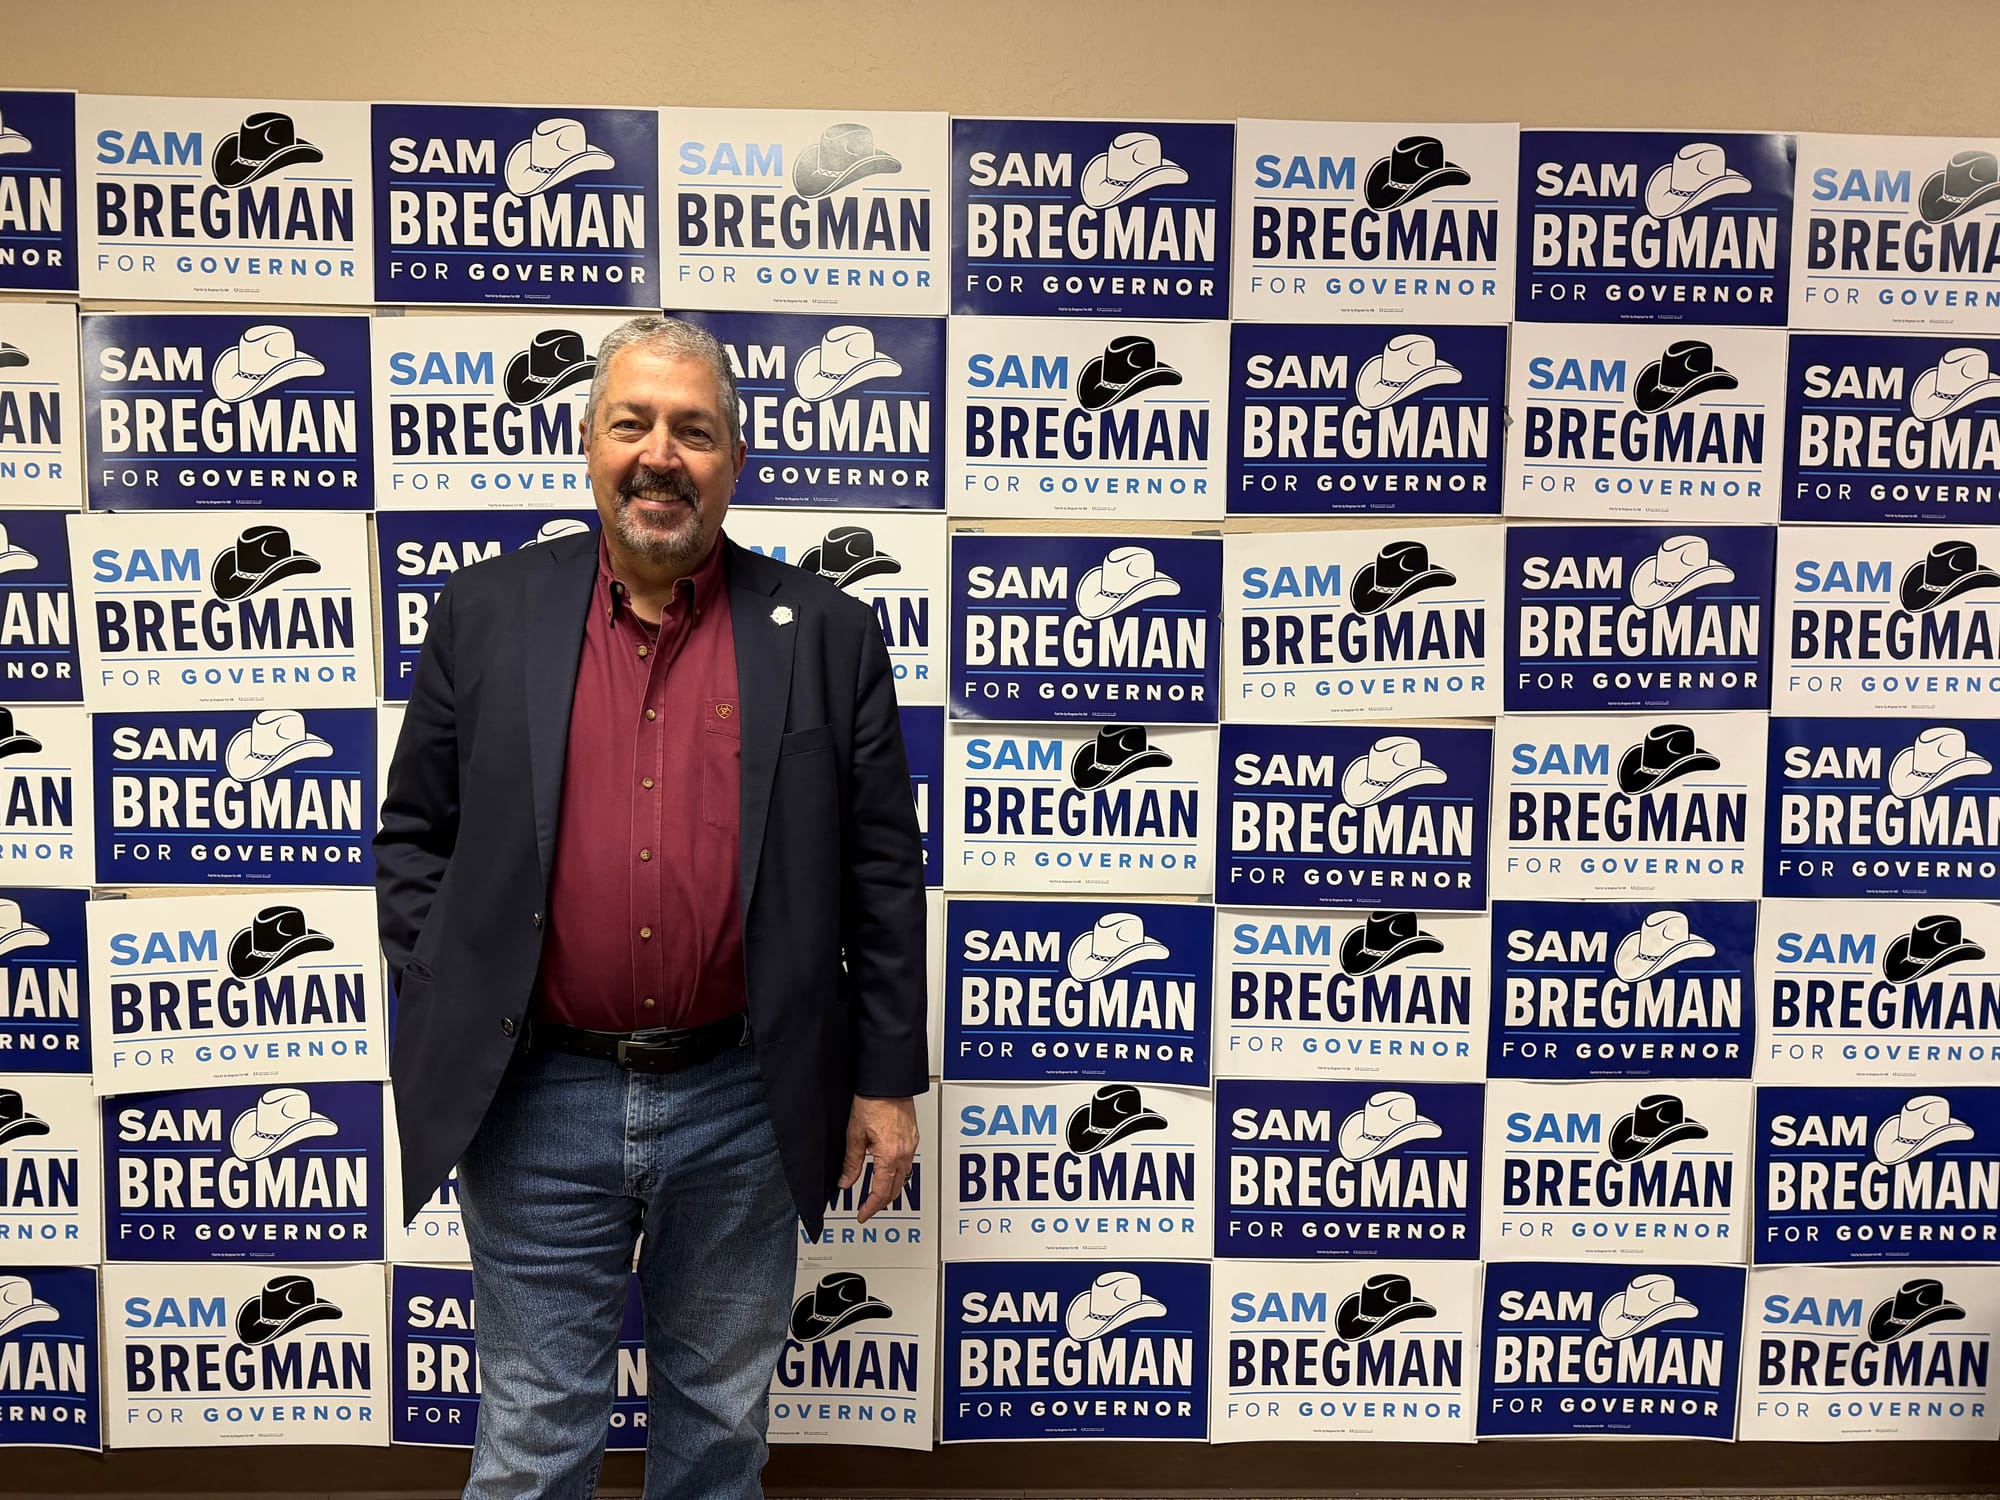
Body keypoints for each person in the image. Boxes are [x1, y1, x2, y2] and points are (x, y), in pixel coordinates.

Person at [375, 315, 927, 1499]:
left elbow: (879, 873)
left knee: (719, 1430)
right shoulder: (484, 614)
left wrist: (883, 1080)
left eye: (693, 430)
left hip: (742, 1096)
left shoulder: (827, 632)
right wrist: (451, 998)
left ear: (735, 459)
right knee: (533, 1437)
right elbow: (415, 837)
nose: (659, 454)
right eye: (632, 423)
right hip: (536, 1098)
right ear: (590, 445)